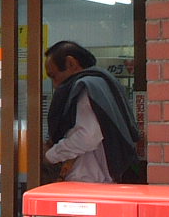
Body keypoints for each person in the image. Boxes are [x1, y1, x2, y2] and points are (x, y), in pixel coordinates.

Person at [42, 40, 141, 184]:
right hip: (103, 180)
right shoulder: (104, 83)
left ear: (71, 63)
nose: (56, 85)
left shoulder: (86, 87)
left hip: (89, 182)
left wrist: (50, 155)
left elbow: (88, 137)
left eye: (54, 76)